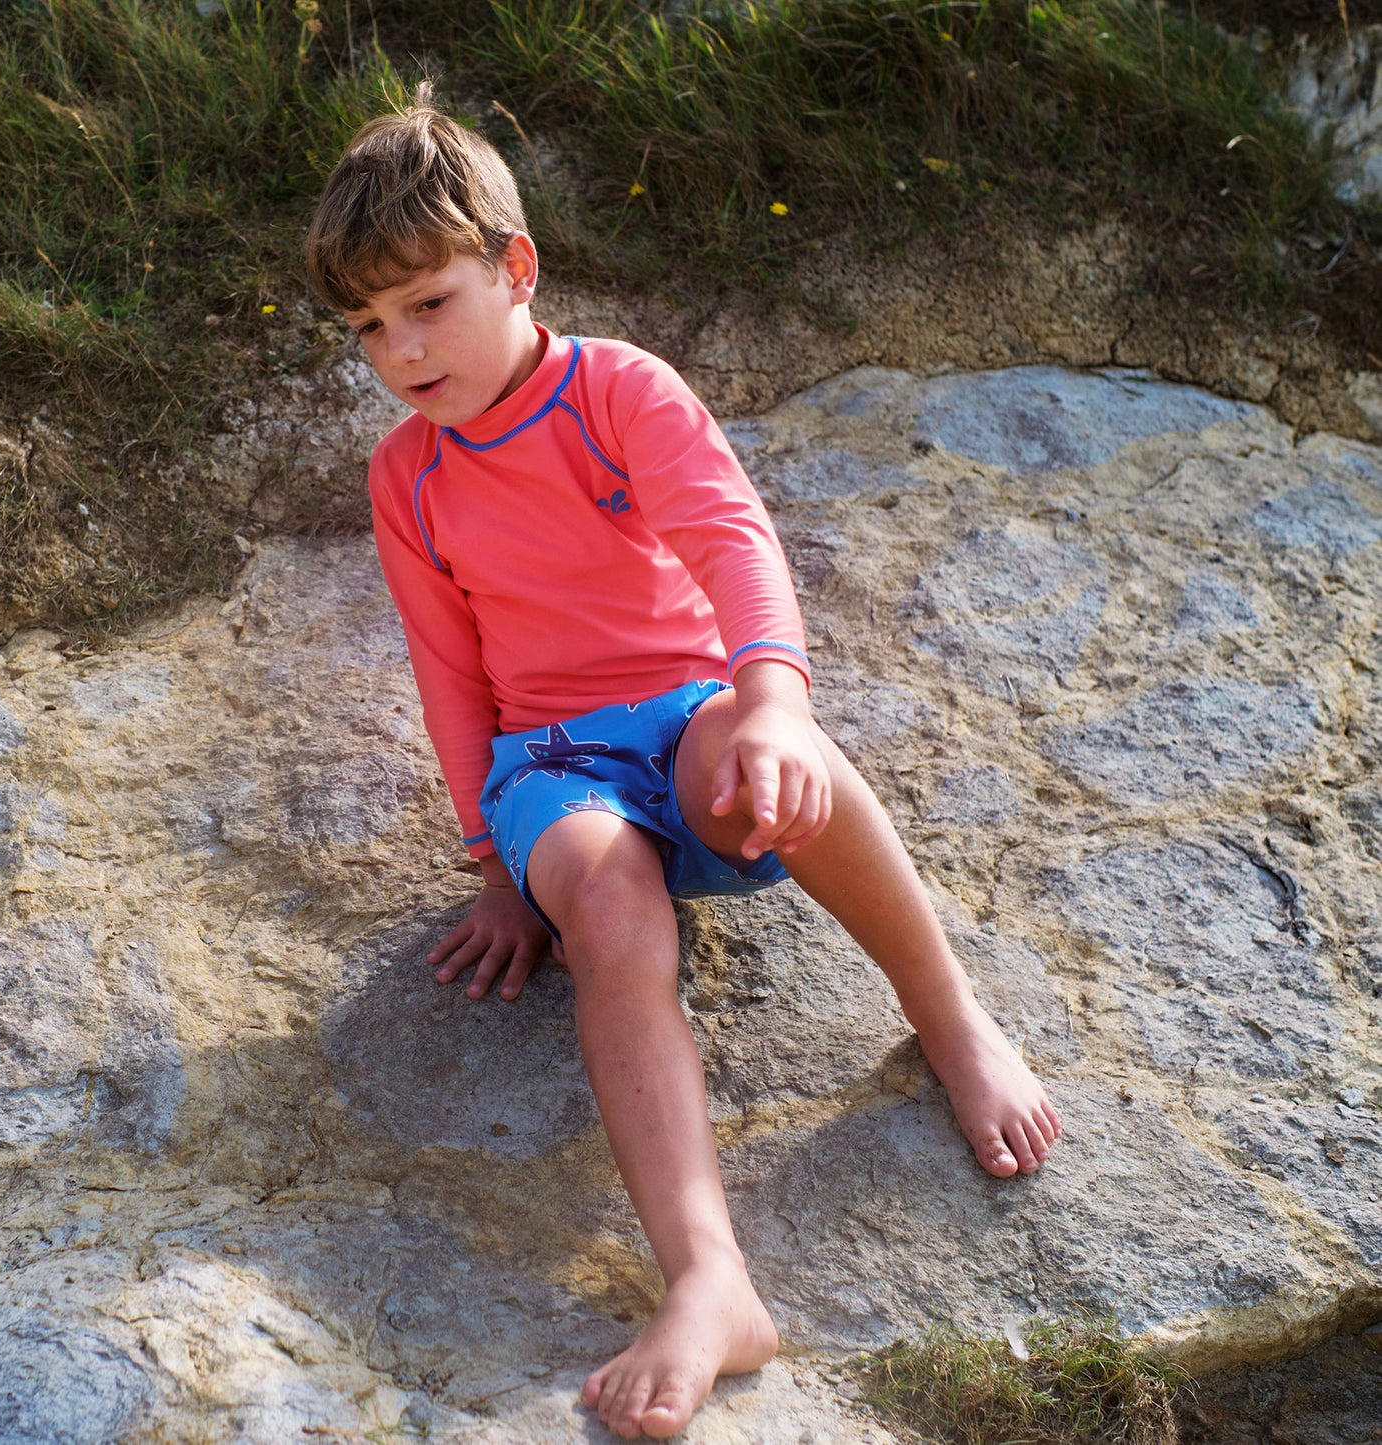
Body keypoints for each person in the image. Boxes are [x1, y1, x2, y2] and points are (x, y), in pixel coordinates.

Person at [305, 88, 1061, 1442]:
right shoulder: (407, 475)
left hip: (692, 711)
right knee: (603, 899)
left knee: (781, 757)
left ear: (513, 269)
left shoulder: (616, 390)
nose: (399, 348)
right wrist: (494, 870)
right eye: (368, 326)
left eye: (425, 303)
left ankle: (946, 1010)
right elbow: (448, 670)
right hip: (554, 766)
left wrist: (772, 701)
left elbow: (731, 544)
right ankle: (711, 1279)